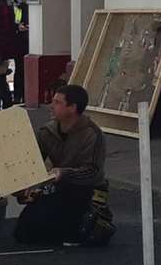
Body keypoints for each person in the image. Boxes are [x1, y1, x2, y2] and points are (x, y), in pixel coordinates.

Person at [15, 85, 113, 246]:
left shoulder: (92, 134)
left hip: (86, 190)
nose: (51, 106)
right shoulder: (46, 132)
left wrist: (64, 173)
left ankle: (96, 220)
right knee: (23, 233)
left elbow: (93, 172)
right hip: (59, 187)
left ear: (72, 108)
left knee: (72, 233)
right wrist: (25, 188)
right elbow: (32, 163)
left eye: (57, 102)